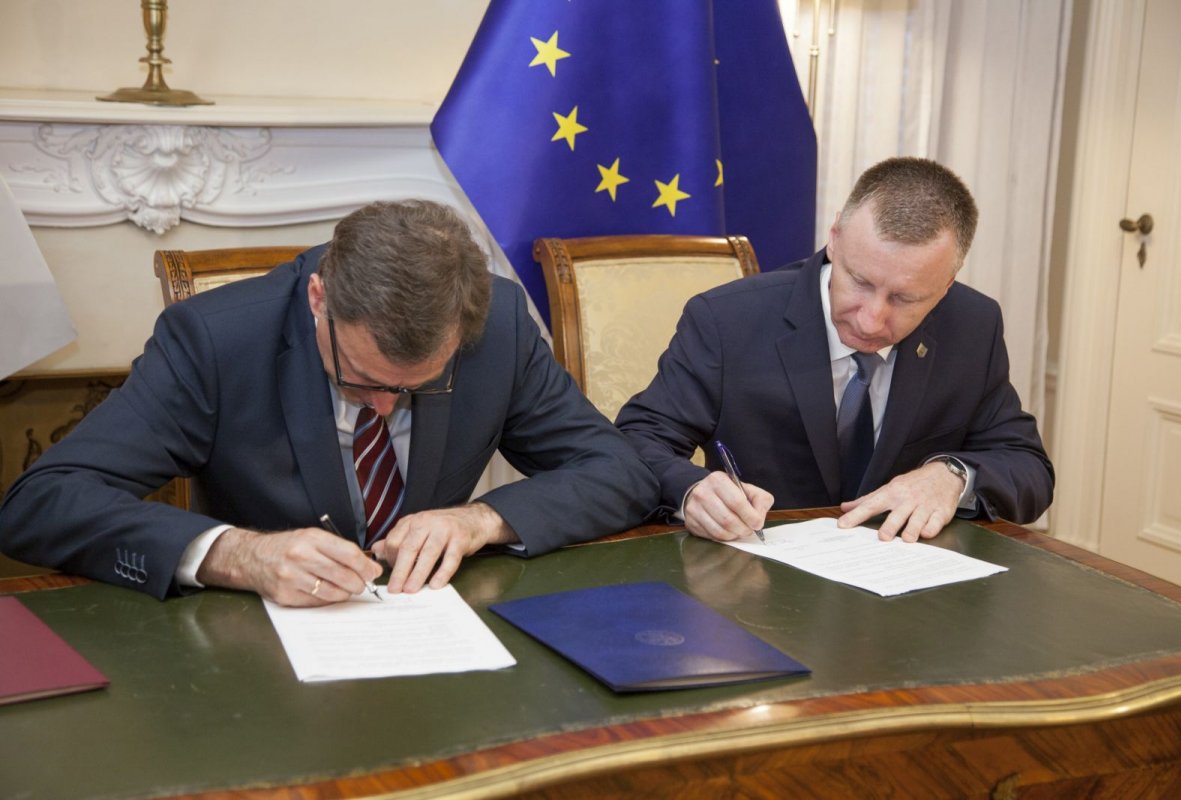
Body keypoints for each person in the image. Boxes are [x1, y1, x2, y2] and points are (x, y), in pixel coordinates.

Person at [0, 200, 658, 605]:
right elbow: (41, 503)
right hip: (254, 659)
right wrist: (238, 555)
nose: (382, 408)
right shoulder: (215, 341)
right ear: (318, 298)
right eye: (359, 378)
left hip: (434, 636)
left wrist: (480, 520)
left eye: (415, 387)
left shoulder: (500, 327)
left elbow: (619, 472)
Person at [616, 157, 1053, 543]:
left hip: (907, 583)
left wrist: (952, 476)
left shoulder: (972, 326)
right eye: (860, 281)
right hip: (759, 578)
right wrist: (692, 489)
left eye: (905, 299)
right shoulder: (727, 321)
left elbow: (1028, 467)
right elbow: (638, 439)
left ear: (946, 286)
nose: (871, 320)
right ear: (835, 237)